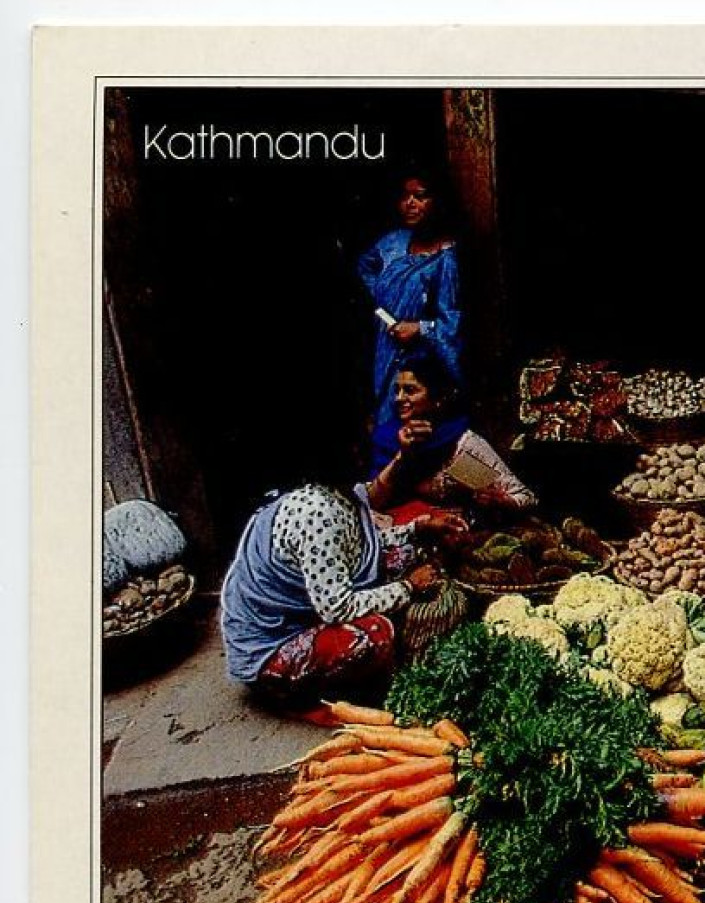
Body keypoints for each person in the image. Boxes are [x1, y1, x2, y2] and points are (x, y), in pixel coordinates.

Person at [220, 472, 465, 707]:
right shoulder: (317, 513)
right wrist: (408, 587)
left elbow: (355, 547)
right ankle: (304, 695)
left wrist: (416, 530)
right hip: (274, 640)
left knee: (407, 553)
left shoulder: (339, 494)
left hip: (312, 602)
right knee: (374, 635)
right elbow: (337, 607)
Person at [357, 171, 463, 469]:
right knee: (382, 426)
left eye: (420, 196)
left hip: (420, 362)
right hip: (384, 351)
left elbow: (453, 323)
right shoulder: (393, 243)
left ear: (438, 202)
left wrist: (420, 328)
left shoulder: (448, 259)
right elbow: (364, 268)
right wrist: (384, 299)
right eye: (405, 197)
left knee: (416, 437)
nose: (410, 204)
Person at [366, 354, 538, 526]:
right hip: (401, 533)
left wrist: (499, 501)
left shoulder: (460, 444)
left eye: (410, 391)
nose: (399, 398)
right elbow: (372, 502)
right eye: (397, 390)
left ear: (437, 399)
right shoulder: (387, 439)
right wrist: (403, 455)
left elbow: (525, 497)